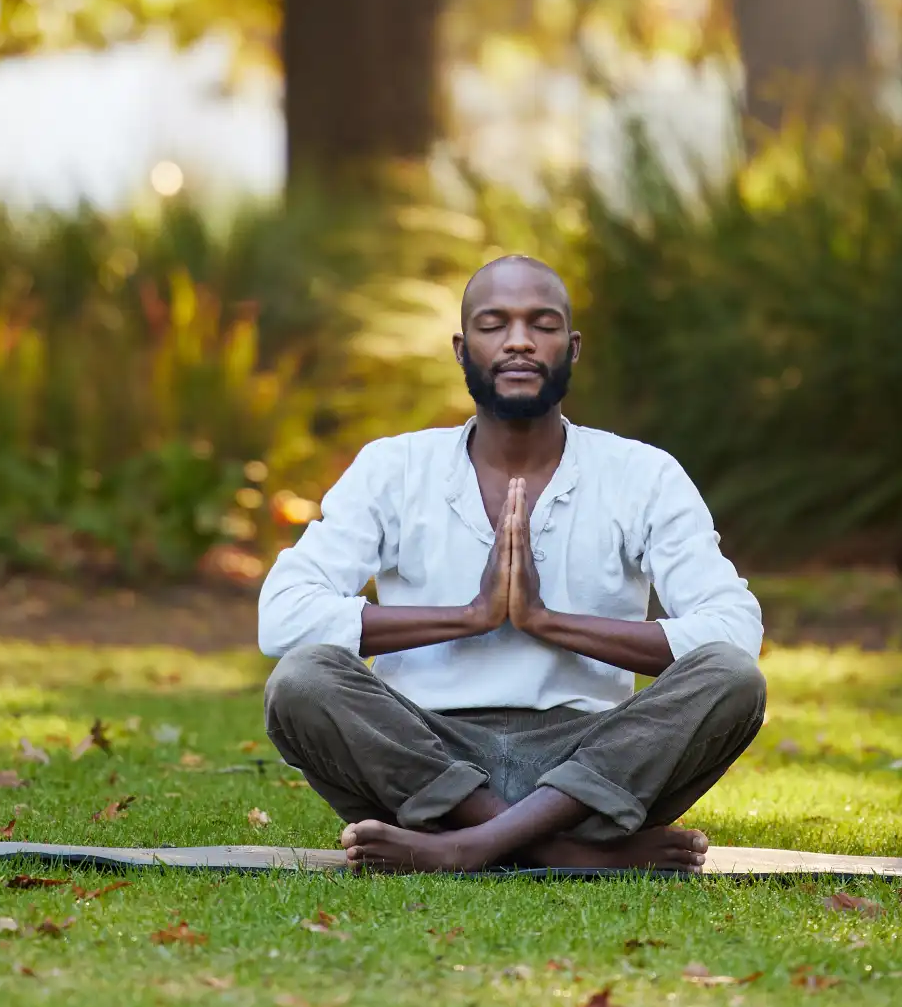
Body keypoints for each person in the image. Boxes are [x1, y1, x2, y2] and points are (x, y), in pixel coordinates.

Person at [256, 254, 765, 872]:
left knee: (733, 677)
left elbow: (735, 629)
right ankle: (561, 851)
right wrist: (471, 616)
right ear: (462, 346)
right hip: (429, 754)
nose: (519, 341)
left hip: (588, 759)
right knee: (303, 679)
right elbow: (283, 618)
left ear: (572, 347)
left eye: (542, 324)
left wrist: (546, 622)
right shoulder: (393, 468)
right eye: (494, 323)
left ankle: (466, 847)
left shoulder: (643, 474)